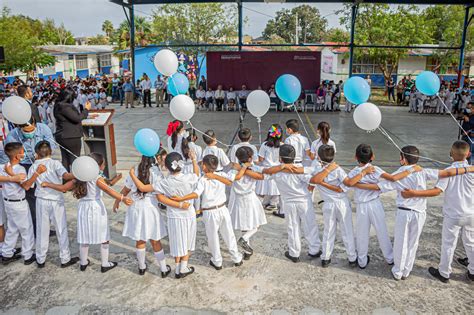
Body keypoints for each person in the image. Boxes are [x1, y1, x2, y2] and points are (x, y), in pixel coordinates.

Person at [357, 145, 473, 280]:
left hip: (404, 212)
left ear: (403, 160)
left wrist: (357, 184)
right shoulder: (422, 171)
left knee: (401, 242)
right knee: (413, 243)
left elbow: (378, 187)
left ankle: (398, 271)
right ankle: (406, 271)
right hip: (420, 213)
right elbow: (444, 173)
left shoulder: (398, 174)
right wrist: (468, 168)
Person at [399, 141, 474, 283]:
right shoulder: (471, 170)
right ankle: (473, 272)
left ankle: (444, 273)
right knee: (471, 243)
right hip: (471, 213)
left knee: (448, 244)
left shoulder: (448, 172)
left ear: (451, 154)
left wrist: (414, 193)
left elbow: (436, 191)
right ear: (468, 154)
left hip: (453, 214)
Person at [346, 144, 423, 269]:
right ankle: (390, 258)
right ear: (373, 156)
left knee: (361, 234)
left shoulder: (354, 172)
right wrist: (410, 170)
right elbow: (393, 178)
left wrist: (362, 175)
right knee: (382, 231)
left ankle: (362, 261)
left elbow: (349, 183)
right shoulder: (375, 169)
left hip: (362, 207)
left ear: (355, 157)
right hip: (375, 204)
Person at [131, 152, 199, 279]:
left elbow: (143, 188)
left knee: (178, 242)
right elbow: (197, 174)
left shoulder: (164, 182)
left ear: (167, 167)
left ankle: (179, 267)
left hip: (174, 216)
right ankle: (182, 268)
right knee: (187, 241)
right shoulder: (189, 178)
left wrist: (132, 175)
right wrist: (194, 159)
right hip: (189, 214)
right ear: (181, 165)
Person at [172, 154, 243, 270]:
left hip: (210, 212)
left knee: (213, 237)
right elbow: (230, 181)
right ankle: (236, 258)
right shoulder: (221, 175)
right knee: (229, 234)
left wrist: (181, 198)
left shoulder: (203, 180)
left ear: (204, 166)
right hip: (223, 209)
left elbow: (196, 194)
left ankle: (217, 261)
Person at [68, 153, 132, 273]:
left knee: (84, 235)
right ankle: (104, 263)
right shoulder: (97, 178)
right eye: (103, 164)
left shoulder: (80, 176)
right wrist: (122, 198)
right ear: (98, 166)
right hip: (95, 207)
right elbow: (108, 190)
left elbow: (65, 186)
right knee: (103, 235)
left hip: (83, 207)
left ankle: (83, 263)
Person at [261, 144, 321, 263]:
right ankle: (314, 250)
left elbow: (264, 173)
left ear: (280, 158)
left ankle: (294, 253)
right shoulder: (299, 169)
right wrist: (310, 188)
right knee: (310, 225)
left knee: (293, 227)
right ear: (294, 157)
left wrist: (280, 166)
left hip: (288, 202)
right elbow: (313, 179)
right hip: (304, 201)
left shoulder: (276, 171)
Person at [23, 141, 79, 268]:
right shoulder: (55, 163)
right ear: (51, 152)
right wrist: (79, 173)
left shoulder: (33, 166)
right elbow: (66, 175)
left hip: (41, 200)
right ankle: (65, 258)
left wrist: (37, 173)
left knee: (42, 230)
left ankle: (40, 259)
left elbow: (28, 186)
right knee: (61, 228)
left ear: (36, 154)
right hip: (56, 200)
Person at [114, 155, 170, 277]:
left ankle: (141, 267)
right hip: (150, 208)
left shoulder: (134, 169)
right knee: (155, 240)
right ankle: (164, 269)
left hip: (136, 208)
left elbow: (126, 189)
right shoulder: (156, 172)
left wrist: (118, 200)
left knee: (140, 239)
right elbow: (161, 191)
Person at [4, 117, 57, 236]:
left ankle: (45, 225)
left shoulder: (44, 129)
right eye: (25, 131)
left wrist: (42, 155)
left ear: (35, 124)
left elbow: (52, 146)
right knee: (31, 198)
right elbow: (8, 155)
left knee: (44, 195)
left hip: (42, 163)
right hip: (24, 166)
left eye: (31, 130)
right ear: (19, 127)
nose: (29, 134)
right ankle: (37, 228)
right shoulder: (12, 135)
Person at [0, 143, 35, 265]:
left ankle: (7, 253)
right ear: (17, 156)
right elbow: (26, 186)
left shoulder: (4, 166)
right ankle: (28, 255)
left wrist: (9, 174)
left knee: (12, 228)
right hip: (19, 203)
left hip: (8, 203)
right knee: (26, 229)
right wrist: (35, 175)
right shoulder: (20, 169)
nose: (24, 153)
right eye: (22, 151)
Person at [229, 147, 267, 260]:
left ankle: (247, 250)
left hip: (239, 200)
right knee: (255, 224)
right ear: (250, 158)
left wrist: (242, 167)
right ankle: (244, 239)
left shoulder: (233, 170)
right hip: (250, 199)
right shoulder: (252, 170)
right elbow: (261, 177)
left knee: (245, 225)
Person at [54, 88, 90, 172]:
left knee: (66, 159)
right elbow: (77, 118)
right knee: (74, 159)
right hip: (70, 136)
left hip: (63, 135)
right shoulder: (64, 106)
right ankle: (76, 181)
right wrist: (86, 109)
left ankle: (66, 180)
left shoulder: (58, 104)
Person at [255, 124, 282, 214]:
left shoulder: (264, 145)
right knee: (276, 190)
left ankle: (258, 204)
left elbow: (261, 159)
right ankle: (273, 203)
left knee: (262, 190)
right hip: (277, 169)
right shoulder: (282, 145)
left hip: (266, 169)